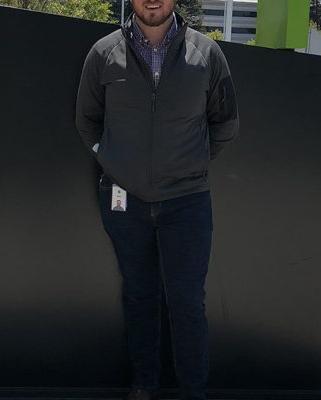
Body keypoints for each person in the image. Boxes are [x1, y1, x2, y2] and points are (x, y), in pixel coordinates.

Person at [74, 0, 238, 399]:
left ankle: (192, 392)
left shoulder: (207, 53)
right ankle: (144, 385)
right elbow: (87, 119)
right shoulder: (104, 52)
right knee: (139, 295)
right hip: (124, 199)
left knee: (187, 302)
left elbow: (226, 122)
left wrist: (192, 162)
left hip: (187, 199)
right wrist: (111, 160)